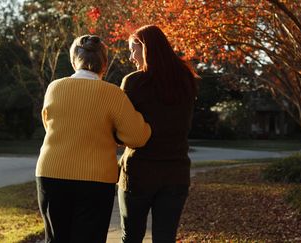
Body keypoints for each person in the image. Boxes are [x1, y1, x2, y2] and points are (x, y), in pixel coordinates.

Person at [36, 34, 152, 243]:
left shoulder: (54, 88)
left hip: (51, 172)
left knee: (55, 239)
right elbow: (137, 137)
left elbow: (49, 125)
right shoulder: (113, 94)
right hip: (96, 179)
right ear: (104, 65)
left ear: (73, 61)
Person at [118, 25, 199, 242]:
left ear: (144, 48)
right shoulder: (186, 79)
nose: (130, 57)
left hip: (139, 173)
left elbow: (121, 128)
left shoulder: (134, 82)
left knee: (132, 236)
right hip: (176, 172)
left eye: (132, 49)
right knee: (165, 238)